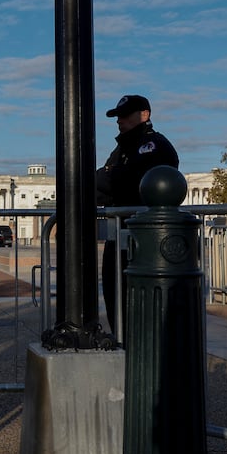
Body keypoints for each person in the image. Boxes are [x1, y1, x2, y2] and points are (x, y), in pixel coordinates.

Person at [96, 94, 179, 342]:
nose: (119, 121)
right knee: (115, 296)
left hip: (144, 237)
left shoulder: (154, 145)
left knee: (141, 303)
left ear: (144, 115)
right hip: (119, 232)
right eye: (117, 116)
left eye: (125, 115)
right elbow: (105, 182)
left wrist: (110, 180)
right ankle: (123, 345)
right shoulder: (122, 149)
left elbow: (124, 181)